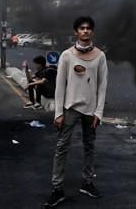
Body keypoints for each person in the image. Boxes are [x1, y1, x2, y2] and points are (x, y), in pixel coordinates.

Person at [44, 16, 108, 207]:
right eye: (82, 28)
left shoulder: (100, 56)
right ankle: (57, 189)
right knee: (62, 147)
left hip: (90, 110)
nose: (86, 31)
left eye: (89, 28)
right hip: (70, 108)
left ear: (93, 32)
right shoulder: (66, 55)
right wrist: (58, 113)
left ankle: (87, 183)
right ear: (76, 32)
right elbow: (59, 86)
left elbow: (103, 86)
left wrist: (99, 112)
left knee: (90, 146)